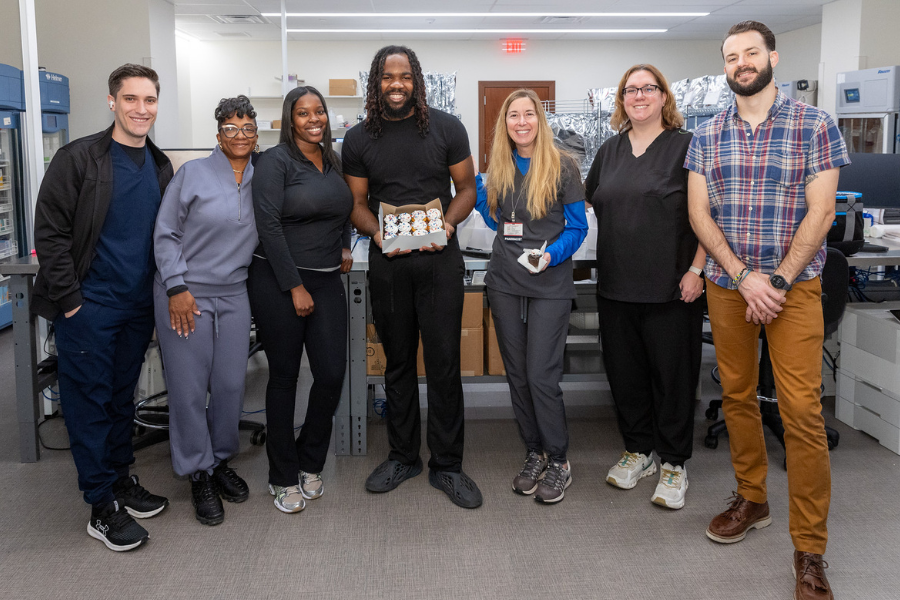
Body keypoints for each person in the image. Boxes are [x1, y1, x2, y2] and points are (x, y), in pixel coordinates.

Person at [685, 21, 848, 600]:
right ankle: (751, 498)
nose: (742, 62)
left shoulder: (815, 124)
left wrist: (773, 280)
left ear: (772, 56)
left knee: (802, 411)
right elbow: (701, 215)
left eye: (751, 52)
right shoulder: (707, 133)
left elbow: (822, 211)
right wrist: (743, 276)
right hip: (730, 286)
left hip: (794, 287)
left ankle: (810, 550)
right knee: (735, 395)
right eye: (732, 56)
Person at [31, 64, 173, 551]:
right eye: (131, 99)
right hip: (89, 308)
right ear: (112, 101)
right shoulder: (79, 160)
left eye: (149, 100)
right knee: (88, 404)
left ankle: (119, 481)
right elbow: (48, 235)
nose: (141, 109)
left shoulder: (158, 165)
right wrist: (71, 303)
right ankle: (99, 505)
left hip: (136, 309)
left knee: (119, 400)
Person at [343, 45, 481, 509]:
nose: (396, 84)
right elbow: (357, 204)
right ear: (376, 82)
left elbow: (466, 190)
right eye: (387, 77)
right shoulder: (360, 138)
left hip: (440, 262)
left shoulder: (447, 127)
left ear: (416, 80)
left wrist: (446, 224)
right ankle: (404, 456)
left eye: (404, 76)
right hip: (389, 264)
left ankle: (447, 464)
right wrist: (376, 233)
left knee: (443, 365)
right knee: (397, 363)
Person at [584, 64, 705, 510]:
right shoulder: (610, 150)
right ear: (621, 100)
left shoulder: (686, 147)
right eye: (630, 90)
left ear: (663, 97)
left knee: (673, 378)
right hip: (616, 285)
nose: (639, 96)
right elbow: (585, 201)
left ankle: (674, 462)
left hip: (673, 287)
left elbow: (706, 216)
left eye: (647, 88)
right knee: (626, 374)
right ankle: (639, 450)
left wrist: (698, 269)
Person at [473, 89, 587, 504]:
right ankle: (534, 452)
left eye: (529, 115)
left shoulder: (563, 167)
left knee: (541, 374)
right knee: (518, 375)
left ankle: (559, 460)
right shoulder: (498, 167)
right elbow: (495, 217)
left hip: (549, 281)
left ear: (540, 120)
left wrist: (551, 255)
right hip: (504, 279)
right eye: (513, 116)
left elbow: (578, 228)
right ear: (504, 123)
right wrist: (485, 199)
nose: (521, 122)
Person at [153, 96, 259, 526]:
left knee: (232, 384)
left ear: (256, 134)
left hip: (234, 293)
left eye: (247, 127)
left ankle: (219, 460)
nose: (239, 135)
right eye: (231, 128)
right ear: (217, 135)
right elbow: (165, 233)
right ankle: (198, 472)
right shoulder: (192, 174)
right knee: (190, 388)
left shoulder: (262, 176)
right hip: (186, 293)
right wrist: (176, 285)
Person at [248, 86, 353, 514]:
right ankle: (282, 474)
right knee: (285, 377)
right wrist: (294, 286)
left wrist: (346, 243)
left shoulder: (332, 159)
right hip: (278, 279)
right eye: (303, 112)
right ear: (290, 119)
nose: (314, 119)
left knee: (330, 373)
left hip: (327, 278)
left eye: (319, 111)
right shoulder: (275, 161)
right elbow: (268, 224)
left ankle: (310, 460)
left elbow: (343, 207)